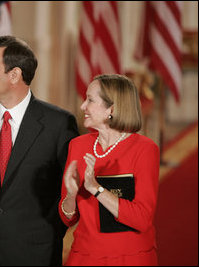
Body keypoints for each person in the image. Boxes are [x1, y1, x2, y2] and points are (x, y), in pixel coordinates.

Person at [0, 35, 79, 266]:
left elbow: (69, 187)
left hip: (35, 251)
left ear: (14, 75)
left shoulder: (58, 123)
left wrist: (48, 232)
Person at [59, 74, 160, 266]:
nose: (82, 106)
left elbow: (142, 219)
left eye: (90, 100)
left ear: (111, 109)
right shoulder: (77, 146)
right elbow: (67, 219)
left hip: (131, 257)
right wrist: (71, 196)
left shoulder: (145, 149)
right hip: (84, 257)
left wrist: (96, 189)